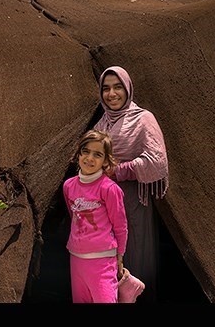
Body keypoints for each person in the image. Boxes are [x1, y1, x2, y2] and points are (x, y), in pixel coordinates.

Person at [94, 66, 168, 303]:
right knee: (109, 261)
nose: (111, 94)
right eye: (106, 88)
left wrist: (119, 171)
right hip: (104, 204)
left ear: (127, 89)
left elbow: (157, 161)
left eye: (118, 87)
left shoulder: (143, 119)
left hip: (132, 201)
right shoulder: (102, 123)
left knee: (135, 256)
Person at [63, 129, 128, 303]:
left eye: (97, 154)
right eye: (86, 151)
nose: (90, 158)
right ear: (78, 154)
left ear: (105, 160)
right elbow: (73, 216)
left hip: (103, 261)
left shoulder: (110, 189)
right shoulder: (68, 186)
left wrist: (120, 256)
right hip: (76, 258)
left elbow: (120, 226)